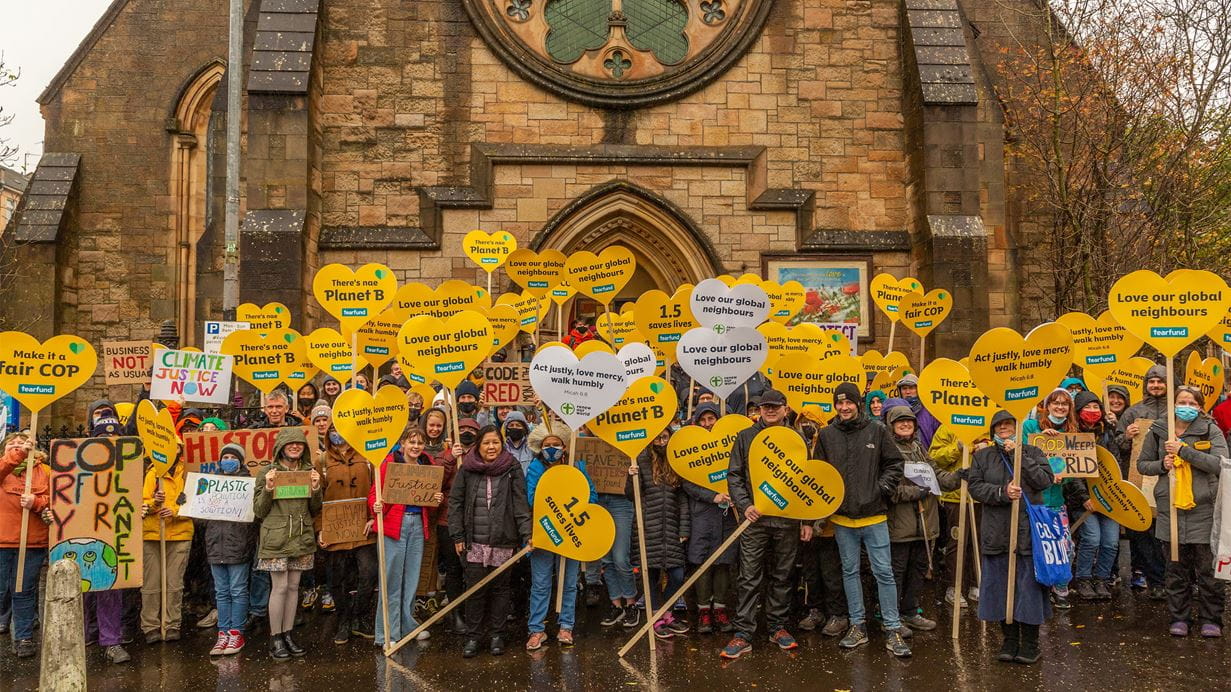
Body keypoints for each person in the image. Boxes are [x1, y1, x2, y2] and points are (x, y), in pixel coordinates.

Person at [816, 382, 910, 657]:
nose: (844, 408)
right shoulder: (826, 435)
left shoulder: (877, 430)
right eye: (839, 403)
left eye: (849, 403)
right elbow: (820, 472)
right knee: (850, 572)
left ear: (858, 403)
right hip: (843, 518)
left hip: (874, 516)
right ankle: (857, 625)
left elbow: (894, 464)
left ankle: (892, 628)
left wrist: (879, 490)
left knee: (883, 572)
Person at [721, 389, 813, 659]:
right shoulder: (746, 437)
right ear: (758, 410)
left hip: (787, 520)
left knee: (782, 576)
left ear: (785, 408)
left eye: (775, 406)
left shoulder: (797, 438)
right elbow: (734, 475)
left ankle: (778, 627)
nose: (769, 410)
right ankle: (743, 634)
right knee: (749, 576)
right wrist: (744, 504)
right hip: (755, 519)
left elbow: (806, 480)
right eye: (765, 407)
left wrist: (807, 519)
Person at [1138, 386, 1228, 638]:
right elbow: (1142, 465)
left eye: (1191, 402)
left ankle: (1212, 618)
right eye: (1181, 401)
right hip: (1171, 511)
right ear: (1172, 404)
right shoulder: (1158, 431)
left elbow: (1220, 465)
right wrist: (1162, 465)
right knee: (1176, 570)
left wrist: (1183, 452)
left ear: (1200, 406)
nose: (1186, 405)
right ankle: (1180, 617)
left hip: (1204, 511)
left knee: (1208, 572)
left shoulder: (1211, 430)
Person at [967, 410, 1054, 664]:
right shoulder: (982, 456)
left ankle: (1029, 642)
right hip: (997, 532)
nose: (1004, 428)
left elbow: (1044, 480)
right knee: (1000, 589)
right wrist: (1001, 492)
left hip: (1027, 533)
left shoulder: (1033, 452)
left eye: (1009, 424)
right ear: (993, 429)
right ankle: (1009, 640)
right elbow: (975, 487)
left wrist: (1017, 454)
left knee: (1027, 589)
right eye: (999, 425)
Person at [449, 425, 531, 658]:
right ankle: (473, 637)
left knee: (500, 591)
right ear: (478, 445)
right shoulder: (467, 469)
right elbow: (455, 503)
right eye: (486, 443)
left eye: (495, 442)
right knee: (475, 590)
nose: (491, 447)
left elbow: (520, 504)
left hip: (503, 540)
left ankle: (497, 635)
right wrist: (457, 535)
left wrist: (526, 535)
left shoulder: (512, 468)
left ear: (501, 443)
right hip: (474, 541)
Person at [885, 405, 962, 634]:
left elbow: (936, 475)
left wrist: (958, 477)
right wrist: (915, 493)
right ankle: (892, 617)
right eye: (900, 422)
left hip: (925, 524)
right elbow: (889, 489)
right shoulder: (887, 449)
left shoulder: (920, 448)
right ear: (891, 426)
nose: (906, 425)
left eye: (909, 421)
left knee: (918, 570)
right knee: (896, 572)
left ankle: (911, 611)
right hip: (900, 525)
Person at [253, 427, 323, 660]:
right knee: (280, 587)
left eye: (299, 444)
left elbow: (314, 508)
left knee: (294, 588)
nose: (295, 447)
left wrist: (315, 489)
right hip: (276, 536)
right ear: (281, 447)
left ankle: (288, 634)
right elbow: (259, 510)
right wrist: (269, 489)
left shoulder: (308, 470)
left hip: (300, 536)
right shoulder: (267, 472)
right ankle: (275, 638)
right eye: (290, 444)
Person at [371, 426, 443, 647]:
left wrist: (435, 499)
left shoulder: (426, 466)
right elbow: (375, 492)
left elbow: (428, 505)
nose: (416, 447)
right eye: (412, 442)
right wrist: (375, 505)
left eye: (420, 443)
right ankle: (386, 634)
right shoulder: (389, 464)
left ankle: (406, 625)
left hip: (416, 526)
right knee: (391, 580)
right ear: (402, 443)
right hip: (395, 525)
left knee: (411, 580)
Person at [525, 423, 593, 650]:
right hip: (545, 533)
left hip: (571, 533)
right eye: (547, 445)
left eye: (556, 445)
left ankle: (566, 627)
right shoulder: (535, 467)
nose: (551, 449)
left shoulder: (577, 465)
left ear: (564, 447)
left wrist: (577, 512)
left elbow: (590, 495)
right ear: (540, 447)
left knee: (569, 583)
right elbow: (533, 499)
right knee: (541, 584)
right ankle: (536, 630)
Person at [316, 427, 378, 644]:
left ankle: (359, 616)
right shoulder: (322, 462)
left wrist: (374, 517)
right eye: (333, 429)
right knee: (336, 579)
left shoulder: (367, 457)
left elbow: (375, 489)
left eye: (341, 428)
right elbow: (316, 498)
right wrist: (320, 529)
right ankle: (343, 619)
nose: (337, 433)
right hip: (336, 530)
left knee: (369, 574)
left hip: (364, 528)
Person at [627, 428, 691, 639]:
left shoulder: (676, 461)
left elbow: (683, 500)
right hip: (648, 527)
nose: (661, 442)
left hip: (672, 527)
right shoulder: (642, 460)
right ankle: (656, 616)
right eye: (657, 437)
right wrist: (631, 477)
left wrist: (684, 528)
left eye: (665, 437)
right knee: (652, 575)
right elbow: (631, 495)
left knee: (677, 574)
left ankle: (666, 613)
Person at [680, 403, 738, 634]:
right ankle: (704, 609)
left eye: (711, 419)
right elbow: (686, 481)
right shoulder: (689, 449)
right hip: (702, 514)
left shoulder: (730, 445)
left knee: (723, 561)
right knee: (702, 562)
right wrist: (711, 496)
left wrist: (733, 494)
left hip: (727, 515)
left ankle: (720, 608)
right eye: (702, 420)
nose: (707, 424)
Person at [1021, 387, 1077, 610]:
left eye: (1065, 403)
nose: (1060, 407)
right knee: (1037, 544)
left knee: (1063, 545)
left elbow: (1077, 466)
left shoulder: (1073, 430)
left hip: (1056, 499)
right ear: (1047, 406)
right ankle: (1036, 587)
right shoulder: (1030, 427)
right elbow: (1021, 456)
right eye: (1056, 403)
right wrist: (1038, 441)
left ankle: (1060, 587)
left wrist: (1065, 477)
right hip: (1034, 499)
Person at [1116, 364, 1168, 599]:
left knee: (1170, 531)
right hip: (1141, 478)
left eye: (1160, 381)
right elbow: (1117, 443)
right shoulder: (1133, 412)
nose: (1155, 385)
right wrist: (1126, 436)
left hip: (1172, 479)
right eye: (1152, 381)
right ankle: (1156, 580)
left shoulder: (1177, 409)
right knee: (1145, 530)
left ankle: (1177, 580)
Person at [797, 413, 849, 637]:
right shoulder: (796, 445)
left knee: (831, 572)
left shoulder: (830, 445)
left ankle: (837, 614)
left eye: (812, 423)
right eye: (803, 423)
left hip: (828, 523)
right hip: (802, 521)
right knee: (811, 571)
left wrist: (820, 518)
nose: (808, 427)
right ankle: (815, 609)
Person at [202, 443, 255, 656]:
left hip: (238, 545)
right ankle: (222, 633)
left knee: (238, 590)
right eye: (225, 457)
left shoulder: (248, 484)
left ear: (240, 461)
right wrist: (186, 503)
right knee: (221, 592)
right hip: (215, 546)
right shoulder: (212, 483)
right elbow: (200, 518)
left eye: (233, 457)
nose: (228, 460)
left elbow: (255, 515)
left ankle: (236, 632)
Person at [0, 432, 49, 659]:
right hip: (3, 542)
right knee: (2, 589)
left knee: (24, 591)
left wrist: (36, 502)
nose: (18, 446)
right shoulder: (3, 469)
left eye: (22, 443)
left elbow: (59, 497)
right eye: (13, 444)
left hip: (32, 542)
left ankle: (24, 637)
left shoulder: (45, 472)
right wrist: (18, 454)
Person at [929, 423, 986, 608]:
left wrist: (989, 448)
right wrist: (958, 447)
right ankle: (954, 587)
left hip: (982, 495)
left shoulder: (987, 424)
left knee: (978, 541)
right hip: (955, 495)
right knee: (957, 542)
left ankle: (976, 584)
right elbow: (934, 459)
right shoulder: (947, 427)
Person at [1070, 391, 1119, 601]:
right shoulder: (1071, 435)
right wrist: (1084, 497)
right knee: (1092, 538)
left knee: (1111, 542)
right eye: (1087, 408)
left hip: (1108, 497)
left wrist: (1112, 493)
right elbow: (1072, 470)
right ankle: (1083, 578)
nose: (1092, 412)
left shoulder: (1107, 434)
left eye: (1095, 407)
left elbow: (1114, 463)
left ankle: (1102, 578)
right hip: (1083, 500)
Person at [140, 455, 194, 643]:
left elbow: (196, 502)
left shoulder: (187, 474)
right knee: (151, 583)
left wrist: (175, 512)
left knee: (174, 583)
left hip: (180, 534)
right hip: (152, 534)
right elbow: (141, 504)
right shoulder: (151, 474)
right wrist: (155, 503)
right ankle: (150, 626)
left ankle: (172, 625)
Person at [423, 407, 467, 635]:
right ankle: (446, 610)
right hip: (438, 518)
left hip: (461, 518)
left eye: (439, 425)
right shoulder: (443, 453)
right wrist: (451, 456)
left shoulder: (464, 450)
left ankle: (464, 610)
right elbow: (436, 479)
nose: (434, 429)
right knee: (444, 567)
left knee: (464, 567)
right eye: (431, 424)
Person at [895, 374, 940, 450]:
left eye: (911, 388)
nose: (908, 392)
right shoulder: (895, 411)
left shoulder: (930, 411)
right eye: (904, 388)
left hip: (926, 455)